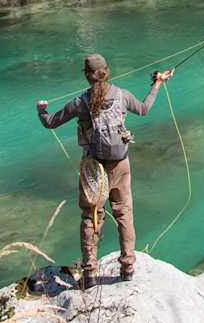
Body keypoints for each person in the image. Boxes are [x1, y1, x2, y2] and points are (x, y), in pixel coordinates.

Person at [37, 55, 174, 288]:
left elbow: (50, 122)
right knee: (124, 214)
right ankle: (128, 267)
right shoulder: (122, 95)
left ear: (87, 75)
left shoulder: (81, 102)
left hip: (93, 169)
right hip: (120, 163)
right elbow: (143, 109)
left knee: (91, 217)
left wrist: (41, 109)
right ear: (107, 72)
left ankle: (90, 272)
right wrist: (157, 83)